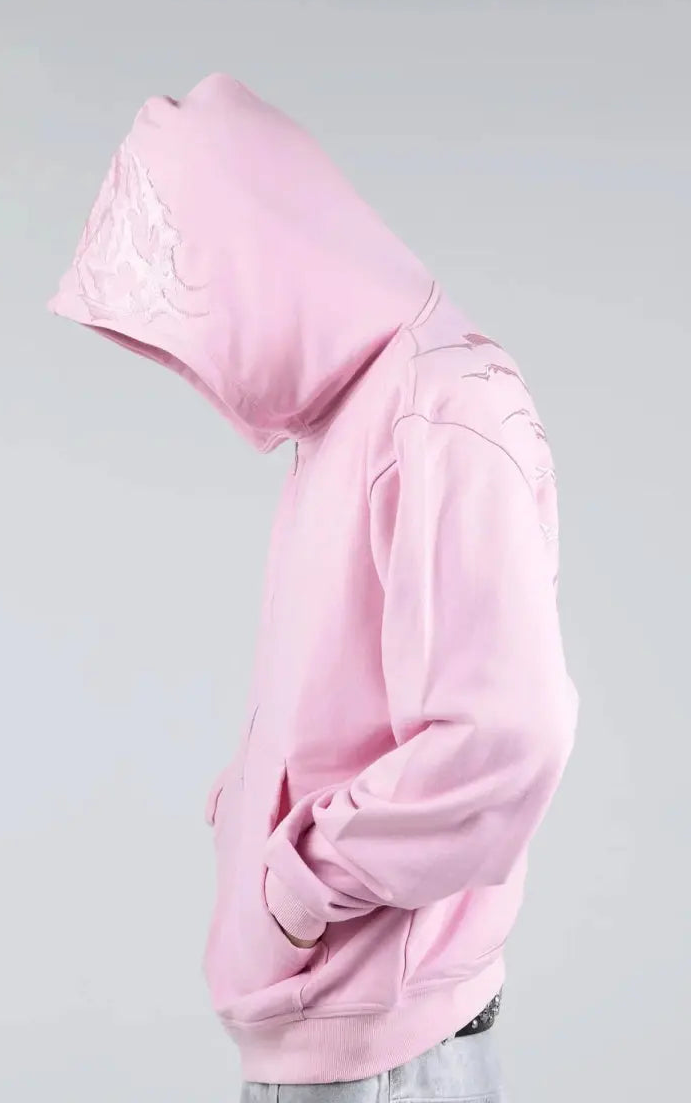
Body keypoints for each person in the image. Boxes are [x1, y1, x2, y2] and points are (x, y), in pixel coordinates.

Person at [46, 71, 579, 1101]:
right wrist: (253, 815)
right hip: (343, 1033)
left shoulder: (440, 411)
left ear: (265, 252)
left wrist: (298, 880)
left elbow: (506, 736)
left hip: (381, 1055)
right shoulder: (365, 409)